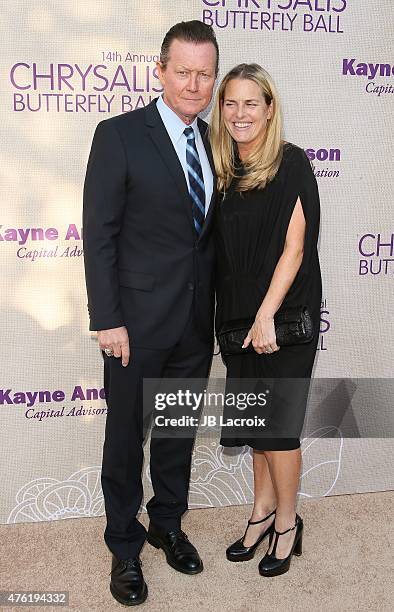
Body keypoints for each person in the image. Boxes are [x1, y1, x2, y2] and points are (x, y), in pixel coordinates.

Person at [82, 20, 218, 606]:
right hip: (134, 324)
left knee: (177, 433)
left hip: (195, 320)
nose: (194, 83)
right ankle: (123, 544)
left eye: (205, 73)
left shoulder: (216, 141)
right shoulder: (118, 135)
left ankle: (167, 523)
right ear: (159, 70)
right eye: (182, 70)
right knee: (124, 438)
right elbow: (100, 234)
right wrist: (108, 318)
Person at [209, 63, 322, 576]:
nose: (239, 113)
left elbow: (296, 248)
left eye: (250, 103)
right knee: (256, 426)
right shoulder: (222, 168)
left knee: (279, 429)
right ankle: (260, 512)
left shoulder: (292, 162)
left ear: (269, 107)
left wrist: (267, 315)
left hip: (283, 316)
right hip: (237, 321)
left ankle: (288, 523)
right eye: (230, 103)